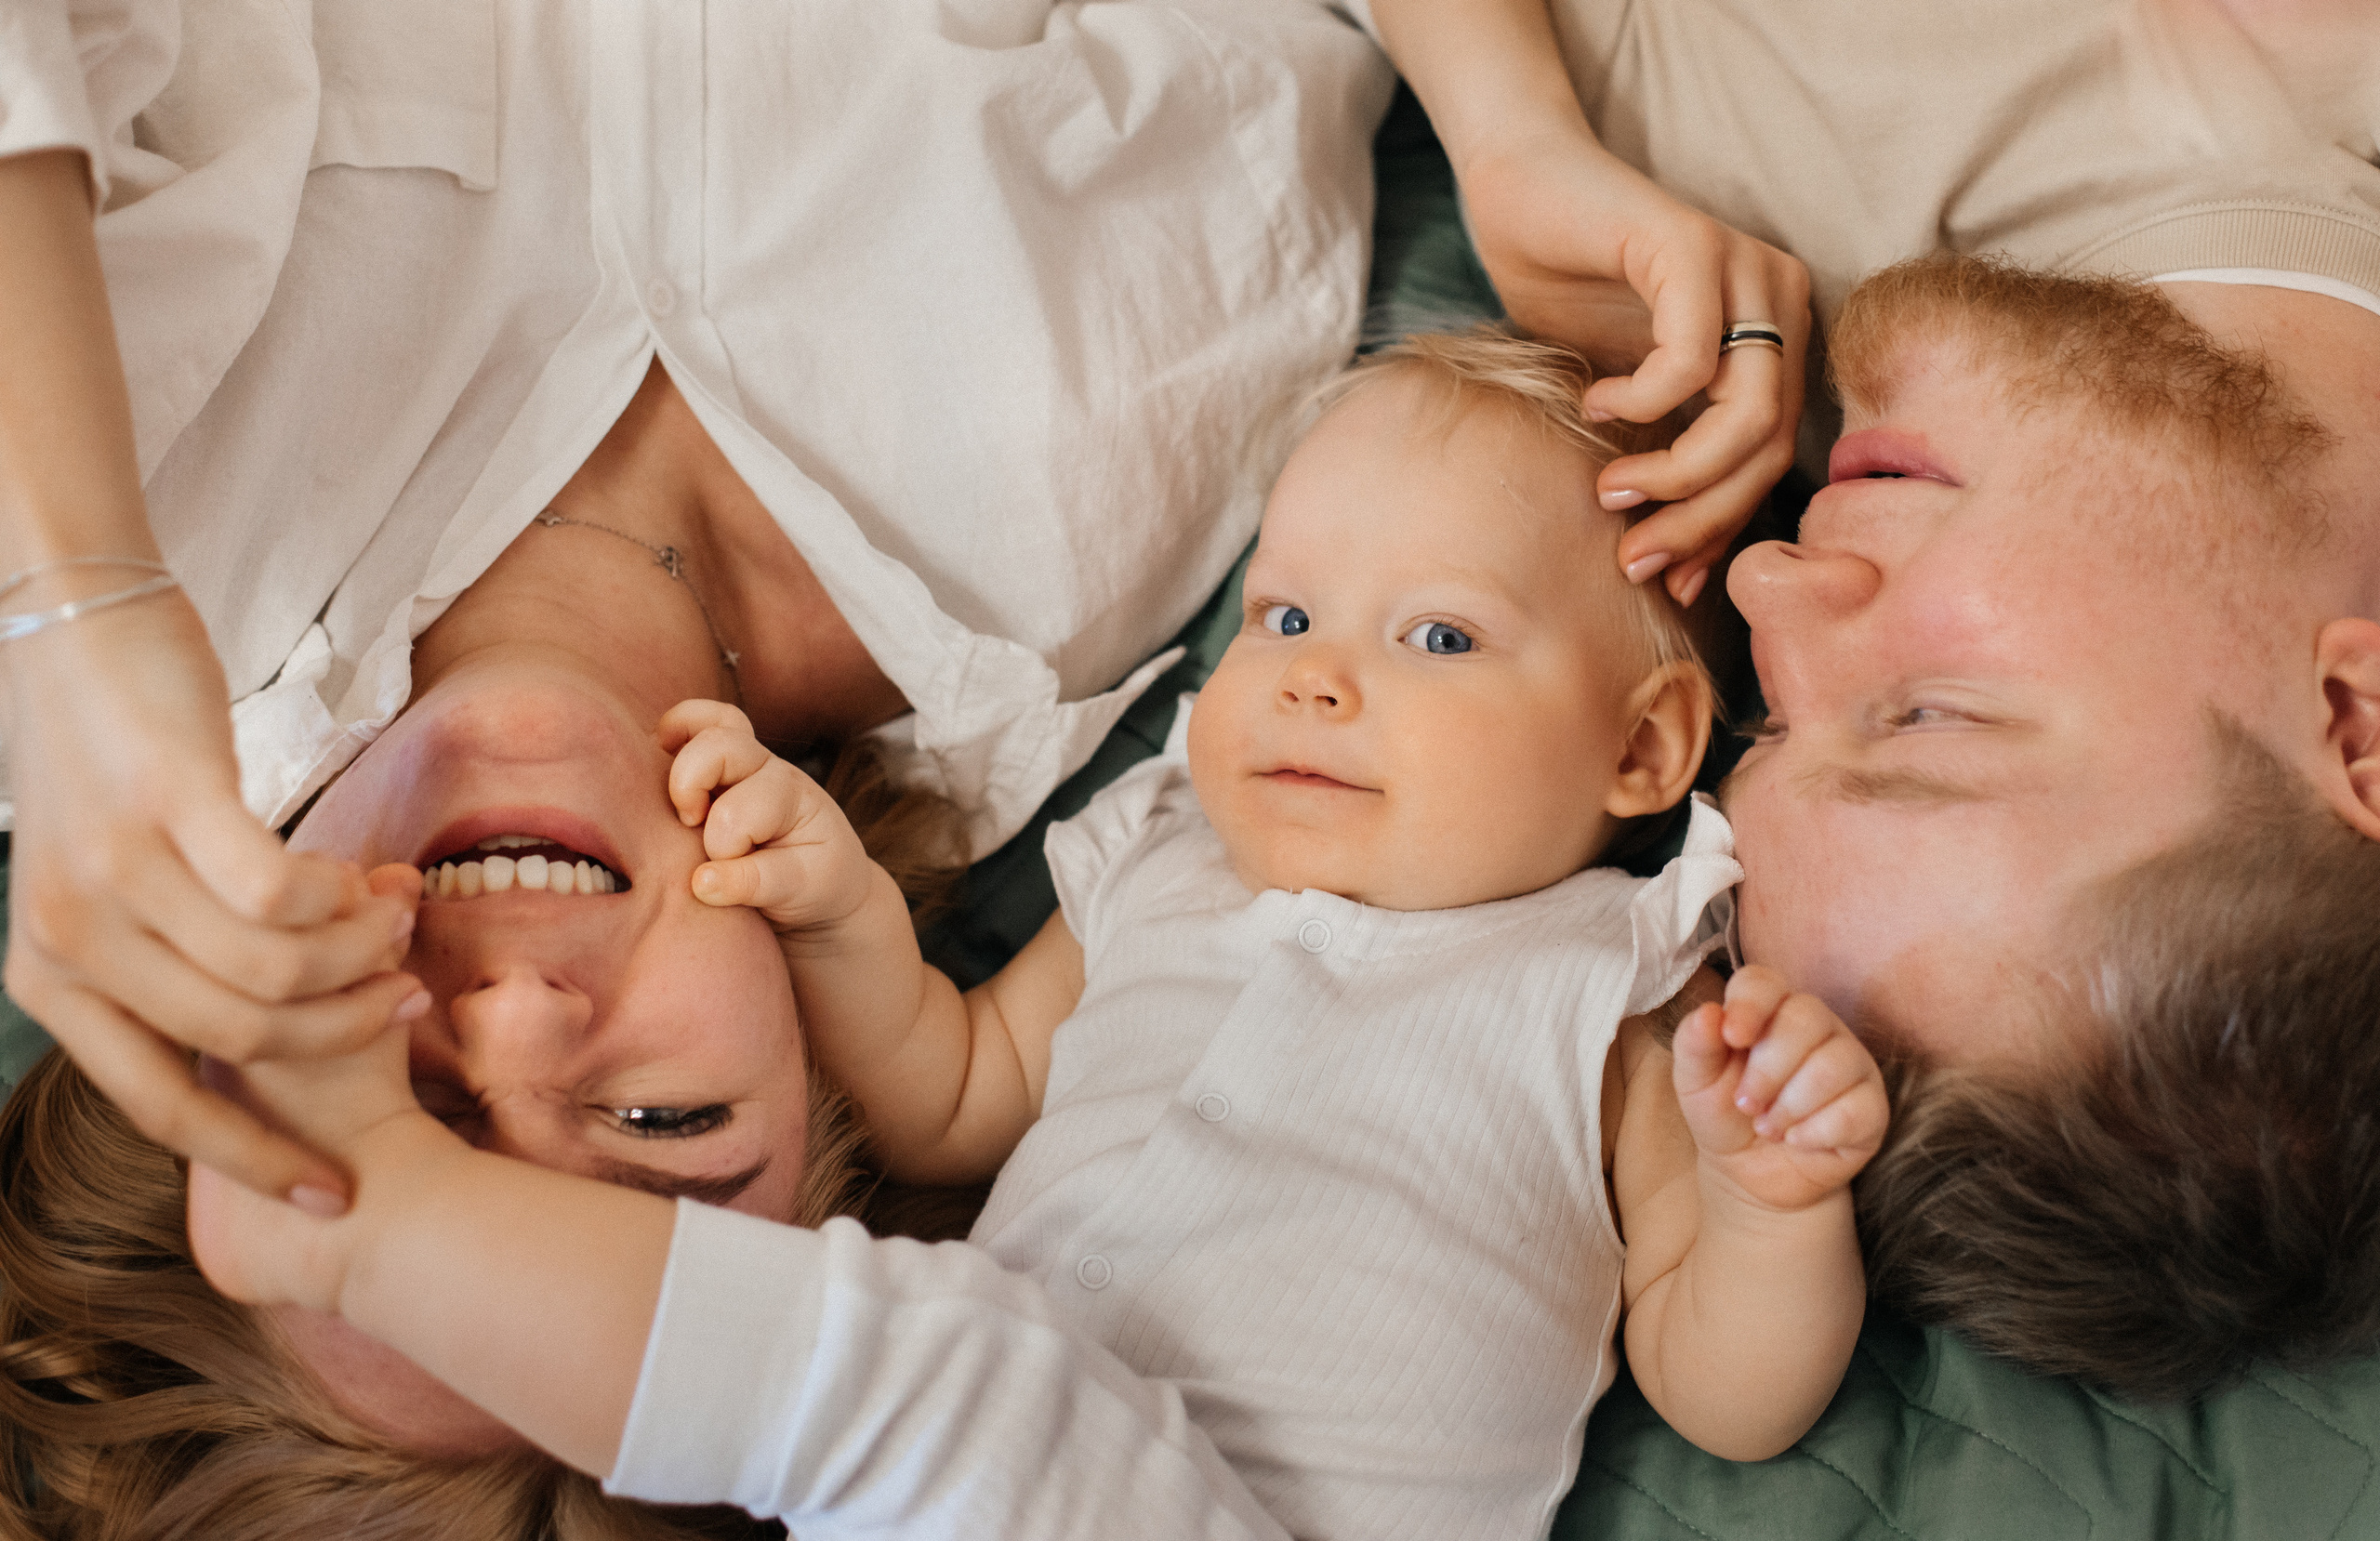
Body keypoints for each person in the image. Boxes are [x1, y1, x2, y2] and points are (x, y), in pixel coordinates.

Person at [185, 331, 1892, 1540]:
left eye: (1436, 635)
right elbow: (953, 1087)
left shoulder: (1617, 1000)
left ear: (1644, 749)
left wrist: (1763, 1204)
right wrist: (849, 912)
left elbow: (1726, 1390)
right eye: (1284, 613)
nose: (1310, 670)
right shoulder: (1163, 864)